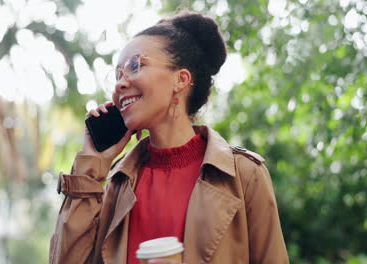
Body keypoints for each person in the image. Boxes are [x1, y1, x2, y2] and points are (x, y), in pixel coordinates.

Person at [50, 11, 289, 264]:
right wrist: (91, 166)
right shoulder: (115, 185)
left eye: (134, 66)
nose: (120, 84)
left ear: (181, 79)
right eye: (118, 74)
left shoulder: (243, 175)